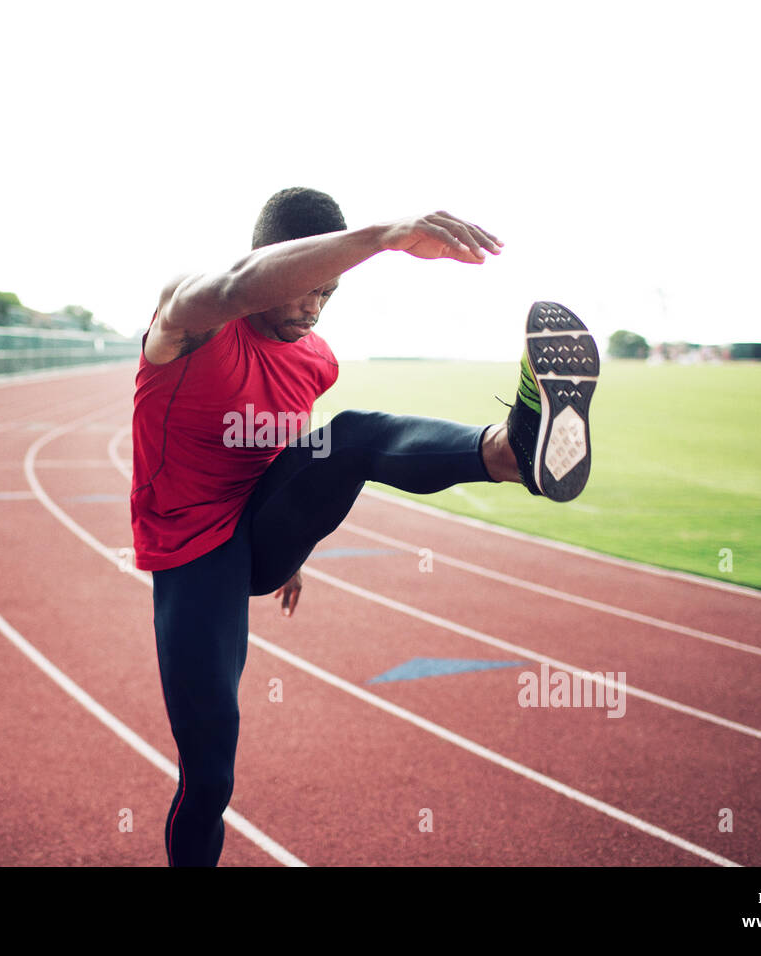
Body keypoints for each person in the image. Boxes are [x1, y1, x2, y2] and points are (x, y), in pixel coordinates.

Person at [129, 187, 599, 866]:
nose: (314, 306)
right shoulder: (190, 321)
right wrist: (383, 236)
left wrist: (292, 545)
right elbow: (234, 286)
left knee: (350, 435)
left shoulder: (316, 360)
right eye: (305, 287)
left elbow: (286, 456)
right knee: (209, 775)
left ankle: (511, 450)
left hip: (262, 534)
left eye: (330, 293)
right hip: (194, 554)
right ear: (273, 263)